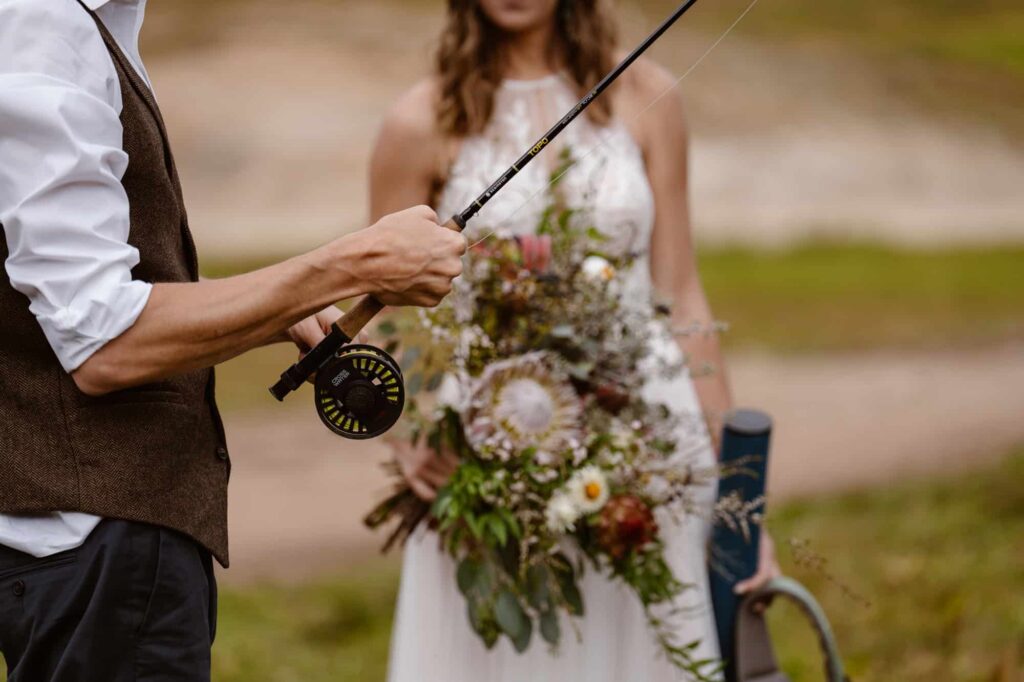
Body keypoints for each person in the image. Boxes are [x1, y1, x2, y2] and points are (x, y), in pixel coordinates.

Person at [0, 0, 466, 680]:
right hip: (100, 553)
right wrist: (349, 265)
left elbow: (54, 281)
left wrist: (271, 310)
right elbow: (104, 345)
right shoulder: (46, 27)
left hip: (59, 549)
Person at [369, 1, 780, 679]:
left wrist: (741, 500)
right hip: (489, 443)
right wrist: (411, 425)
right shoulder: (419, 120)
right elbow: (383, 305)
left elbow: (681, 292)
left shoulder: (649, 94)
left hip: (647, 437)